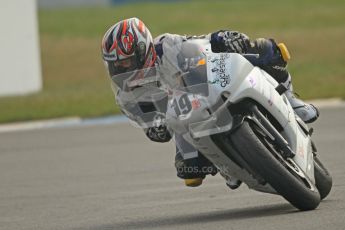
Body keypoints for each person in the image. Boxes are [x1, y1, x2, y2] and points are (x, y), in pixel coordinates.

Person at [101, 17, 319, 188]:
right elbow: (155, 131)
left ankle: (291, 99)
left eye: (126, 61)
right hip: (183, 122)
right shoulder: (125, 95)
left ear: (142, 50)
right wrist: (155, 129)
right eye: (117, 65)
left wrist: (223, 37)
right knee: (190, 172)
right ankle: (227, 166)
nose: (122, 69)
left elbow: (202, 42)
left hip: (206, 87)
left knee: (264, 49)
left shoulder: (166, 46)